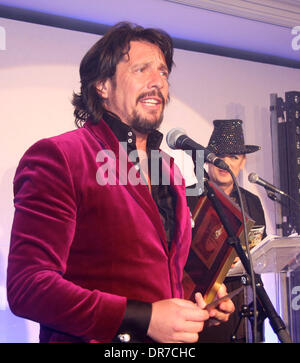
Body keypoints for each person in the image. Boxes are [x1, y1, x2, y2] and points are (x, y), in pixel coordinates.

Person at [7, 22, 234, 343]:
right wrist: (144, 319)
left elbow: (162, 273)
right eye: (142, 70)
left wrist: (199, 299)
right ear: (102, 85)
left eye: (164, 73)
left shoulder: (167, 168)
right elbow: (28, 287)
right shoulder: (60, 156)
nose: (158, 82)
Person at [187, 119, 266, 342]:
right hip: (202, 303)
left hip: (244, 301)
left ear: (242, 163)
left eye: (234, 157)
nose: (225, 163)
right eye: (219, 156)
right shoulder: (187, 198)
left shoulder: (251, 202)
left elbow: (260, 245)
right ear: (208, 159)